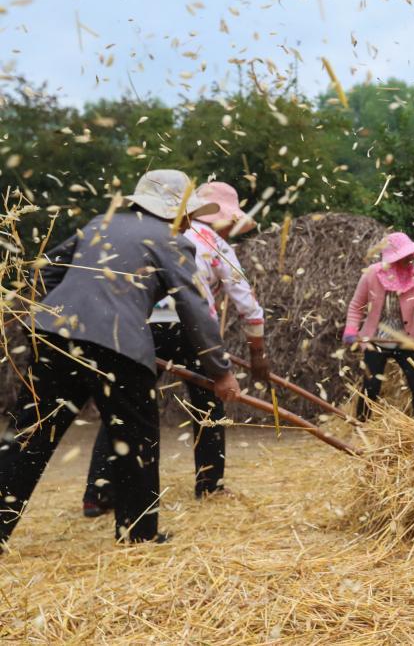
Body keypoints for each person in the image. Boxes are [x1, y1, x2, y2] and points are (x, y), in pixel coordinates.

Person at [0, 170, 241, 549]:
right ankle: (138, 535)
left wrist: (54, 310)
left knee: (29, 436)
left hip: (53, 335)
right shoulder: (172, 241)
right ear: (175, 211)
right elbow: (194, 309)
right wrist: (220, 372)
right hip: (119, 348)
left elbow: (46, 269)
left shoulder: (101, 223)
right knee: (135, 438)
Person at [82, 181, 268, 515]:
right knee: (208, 405)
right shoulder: (215, 243)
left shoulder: (148, 233)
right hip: (190, 329)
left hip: (138, 326)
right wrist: (257, 352)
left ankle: (98, 493)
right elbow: (247, 302)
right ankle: (209, 485)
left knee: (124, 406)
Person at [342, 232, 414, 420]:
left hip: (407, 340)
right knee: (371, 386)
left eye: (411, 255)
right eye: (405, 256)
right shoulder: (371, 275)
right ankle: (361, 426)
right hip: (375, 339)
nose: (410, 259)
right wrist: (351, 330)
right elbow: (356, 306)